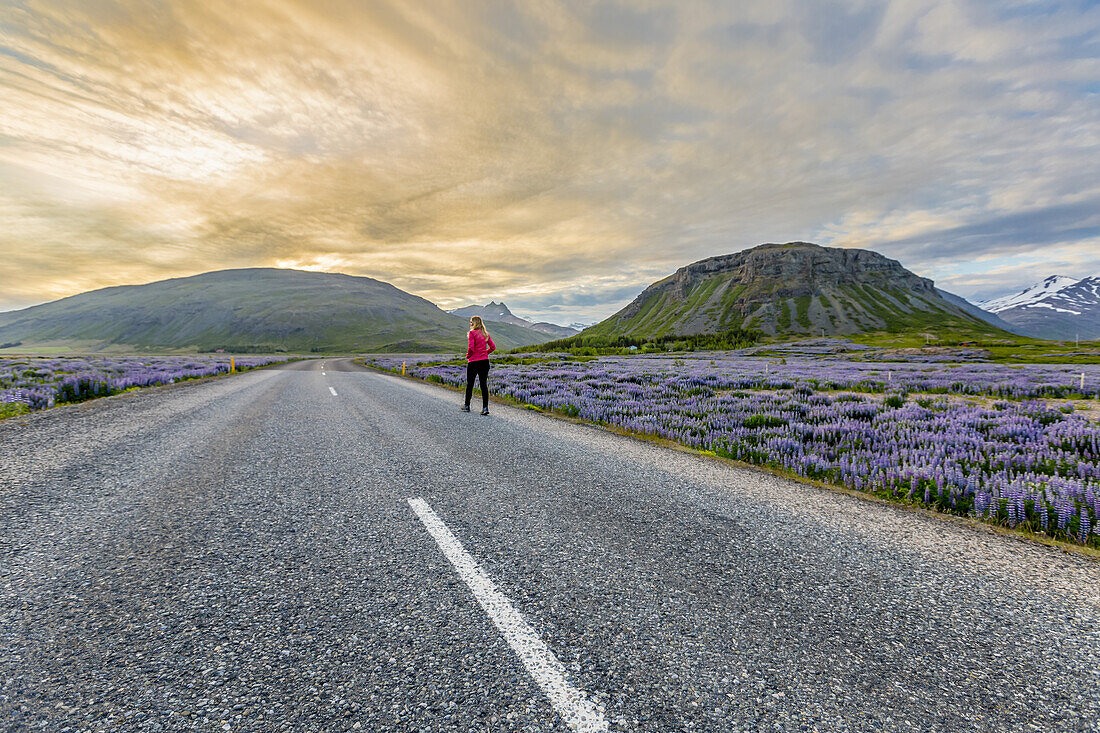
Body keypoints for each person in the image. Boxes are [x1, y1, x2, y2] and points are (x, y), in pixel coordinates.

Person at [463, 315, 495, 415]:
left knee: (470, 384)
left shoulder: (472, 333)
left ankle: (467, 405)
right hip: (485, 362)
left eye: (471, 322)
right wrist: (485, 353)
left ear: (474, 323)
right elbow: (493, 347)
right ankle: (485, 408)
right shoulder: (486, 334)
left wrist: (468, 356)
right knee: (483, 385)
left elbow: (471, 347)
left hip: (473, 362)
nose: (470, 324)